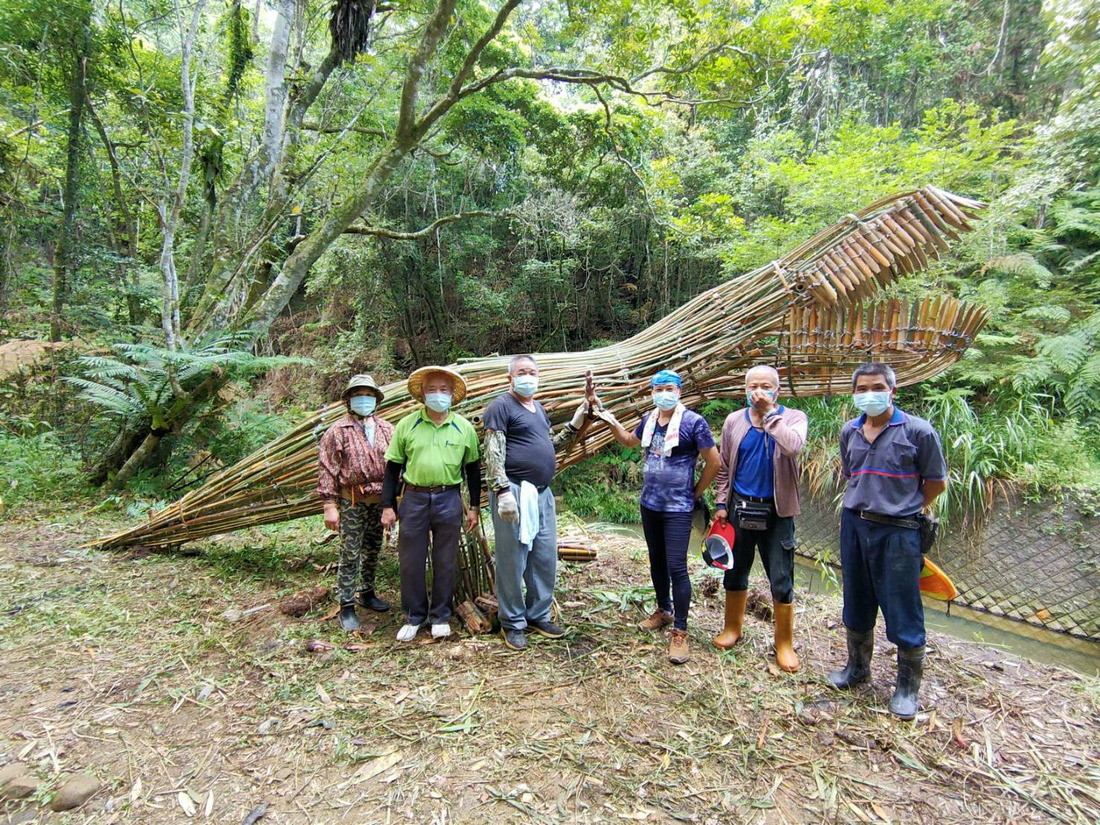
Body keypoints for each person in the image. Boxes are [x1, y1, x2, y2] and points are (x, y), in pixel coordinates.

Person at [828, 362, 947, 720]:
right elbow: (851, 475)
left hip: (898, 530)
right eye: (862, 388)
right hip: (854, 524)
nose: (869, 394)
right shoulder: (849, 431)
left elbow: (935, 482)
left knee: (902, 605)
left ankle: (907, 688)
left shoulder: (918, 431)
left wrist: (907, 508)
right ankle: (857, 668)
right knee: (857, 597)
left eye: (877, 387)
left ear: (892, 390)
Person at [596, 369, 720, 665]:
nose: (663, 393)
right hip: (650, 504)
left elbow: (714, 462)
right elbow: (628, 441)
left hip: (678, 507)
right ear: (652, 392)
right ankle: (664, 610)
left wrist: (695, 493)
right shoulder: (649, 420)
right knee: (657, 561)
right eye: (658, 388)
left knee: (677, 566)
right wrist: (609, 419)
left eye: (669, 388)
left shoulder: (693, 422)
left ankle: (681, 630)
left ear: (679, 391)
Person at [483, 355, 589, 651]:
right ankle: (512, 622)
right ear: (510, 379)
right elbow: (492, 451)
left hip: (542, 493)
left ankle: (538, 614)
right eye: (521, 372)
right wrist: (502, 491)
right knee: (512, 559)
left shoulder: (538, 409)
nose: (527, 376)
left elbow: (550, 445)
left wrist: (576, 421)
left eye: (532, 372)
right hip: (514, 492)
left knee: (543, 556)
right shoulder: (501, 406)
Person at [712, 365, 807, 672]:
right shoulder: (733, 421)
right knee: (735, 571)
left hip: (778, 511)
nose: (758, 391)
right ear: (744, 388)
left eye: (765, 386)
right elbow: (724, 465)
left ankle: (783, 644)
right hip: (739, 507)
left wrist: (769, 415)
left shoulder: (793, 418)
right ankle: (732, 628)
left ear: (776, 390)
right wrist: (721, 503)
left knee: (781, 578)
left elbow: (792, 446)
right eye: (752, 385)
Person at [380, 367, 481, 643]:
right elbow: (392, 469)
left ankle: (440, 616)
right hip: (413, 498)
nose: (438, 395)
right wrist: (387, 505)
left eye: (444, 390)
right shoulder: (407, 425)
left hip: (449, 498)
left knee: (445, 559)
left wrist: (474, 506)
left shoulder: (464, 428)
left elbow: (473, 470)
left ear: (452, 395)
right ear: (423, 394)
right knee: (411, 559)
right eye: (432, 390)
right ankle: (414, 616)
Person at [317, 374, 395, 632]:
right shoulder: (337, 432)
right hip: (352, 501)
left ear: (376, 400)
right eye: (358, 395)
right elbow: (327, 469)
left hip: (380, 500)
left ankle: (367, 592)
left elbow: (396, 467)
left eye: (369, 395)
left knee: (373, 548)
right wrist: (329, 505)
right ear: (349, 400)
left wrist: (393, 502)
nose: (364, 399)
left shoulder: (387, 429)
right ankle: (347, 603)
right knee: (350, 552)